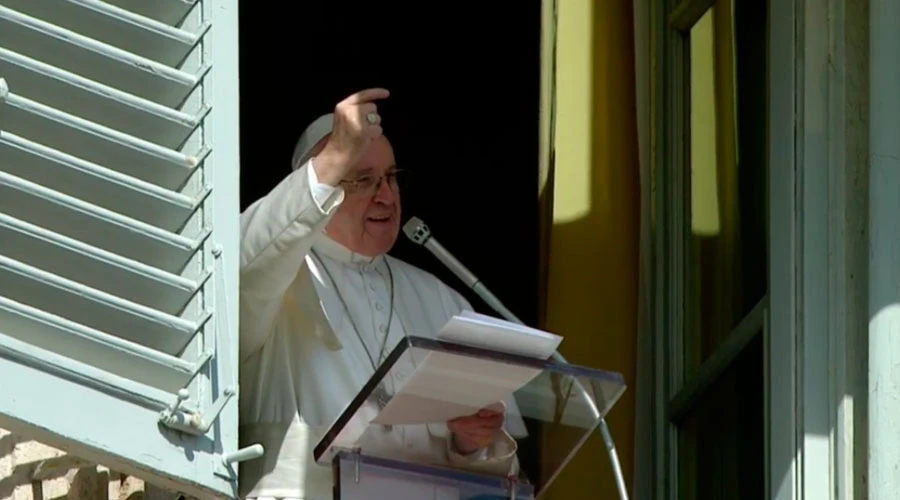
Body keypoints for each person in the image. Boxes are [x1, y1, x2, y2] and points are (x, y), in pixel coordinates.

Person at [237, 88, 519, 499]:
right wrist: (334, 156)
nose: (385, 194)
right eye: (363, 179)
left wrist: (471, 445)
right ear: (323, 186)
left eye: (390, 177)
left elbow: (501, 478)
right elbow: (246, 256)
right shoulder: (273, 278)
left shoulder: (442, 301)